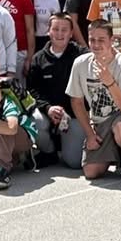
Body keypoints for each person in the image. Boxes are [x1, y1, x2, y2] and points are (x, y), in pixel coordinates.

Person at [67, 19, 121, 182]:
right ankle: (116, 151)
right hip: (100, 120)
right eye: (92, 40)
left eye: (101, 40)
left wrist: (109, 82)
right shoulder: (80, 64)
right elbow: (76, 102)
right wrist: (90, 134)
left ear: (112, 40)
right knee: (91, 172)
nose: (96, 44)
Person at [24, 11, 81, 168]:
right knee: (35, 121)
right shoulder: (38, 59)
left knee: (75, 162)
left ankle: (64, 143)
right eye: (55, 29)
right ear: (48, 31)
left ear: (71, 33)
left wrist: (67, 111)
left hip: (74, 113)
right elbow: (32, 91)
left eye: (64, 30)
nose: (59, 34)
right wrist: (48, 108)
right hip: (48, 111)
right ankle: (49, 152)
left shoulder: (82, 56)